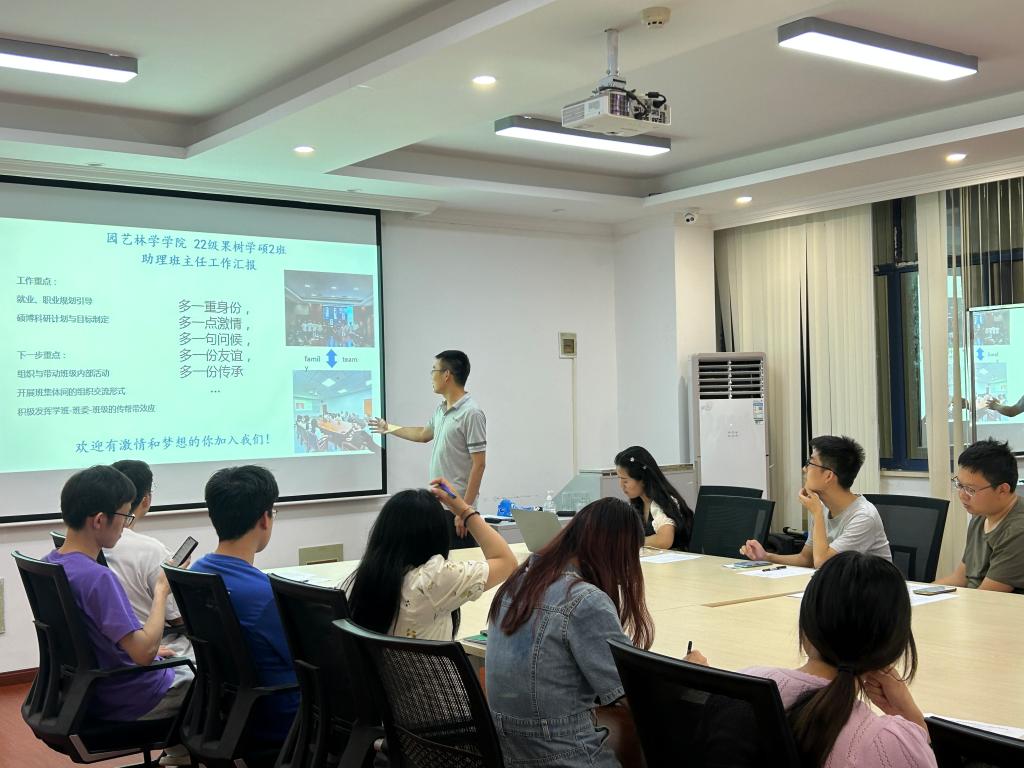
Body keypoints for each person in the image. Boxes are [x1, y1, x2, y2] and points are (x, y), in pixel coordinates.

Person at [485, 498, 705, 768]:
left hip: (511, 754)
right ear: (616, 551)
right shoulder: (584, 600)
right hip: (564, 756)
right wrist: (688, 672)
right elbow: (637, 696)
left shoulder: (519, 581)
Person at [713, 552, 935, 767]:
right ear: (892, 648)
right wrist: (909, 715)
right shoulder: (891, 745)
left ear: (807, 626)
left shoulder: (741, 686)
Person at [43, 466, 193, 731]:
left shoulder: (50, 563)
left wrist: (144, 651)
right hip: (134, 696)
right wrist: (161, 590)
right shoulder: (98, 578)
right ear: (100, 520)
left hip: (90, 692)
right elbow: (144, 654)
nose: (125, 525)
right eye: (124, 516)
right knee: (217, 683)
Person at [190, 466, 298, 743]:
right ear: (265, 518)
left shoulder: (197, 572)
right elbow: (311, 660)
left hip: (230, 712)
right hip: (284, 715)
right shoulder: (265, 595)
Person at [344, 479, 517, 640]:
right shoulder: (434, 579)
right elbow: (507, 562)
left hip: (383, 665)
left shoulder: (358, 580)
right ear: (437, 535)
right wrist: (463, 510)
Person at [368, 350, 485, 548]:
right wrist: (388, 428)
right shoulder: (441, 409)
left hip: (458, 510)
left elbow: (479, 465)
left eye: (434, 370)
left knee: (459, 563)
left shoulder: (471, 413)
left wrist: (464, 511)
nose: (431, 376)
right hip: (439, 506)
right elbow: (423, 434)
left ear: (446, 375)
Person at [740, 435, 891, 568]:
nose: (804, 469)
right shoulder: (823, 508)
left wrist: (817, 513)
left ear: (828, 476)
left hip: (868, 590)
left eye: (810, 463)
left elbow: (822, 564)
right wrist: (766, 557)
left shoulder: (863, 517)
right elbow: (806, 559)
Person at [104, 459, 192, 658]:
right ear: (146, 500)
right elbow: (178, 619)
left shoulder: (90, 544)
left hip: (111, 647)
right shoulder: (152, 550)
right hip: (150, 647)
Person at [934, 438, 1024, 593]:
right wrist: (914, 595)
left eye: (970, 489)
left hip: (992, 604)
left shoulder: (1018, 530)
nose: (962, 495)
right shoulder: (981, 516)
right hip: (975, 599)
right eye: (960, 485)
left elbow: (988, 594)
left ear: (1002, 490)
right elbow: (960, 578)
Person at [614, 445, 694, 550]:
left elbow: (664, 540)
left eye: (625, 481)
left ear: (643, 480)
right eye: (619, 479)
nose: (621, 485)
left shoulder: (663, 502)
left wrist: (631, 542)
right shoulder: (638, 504)